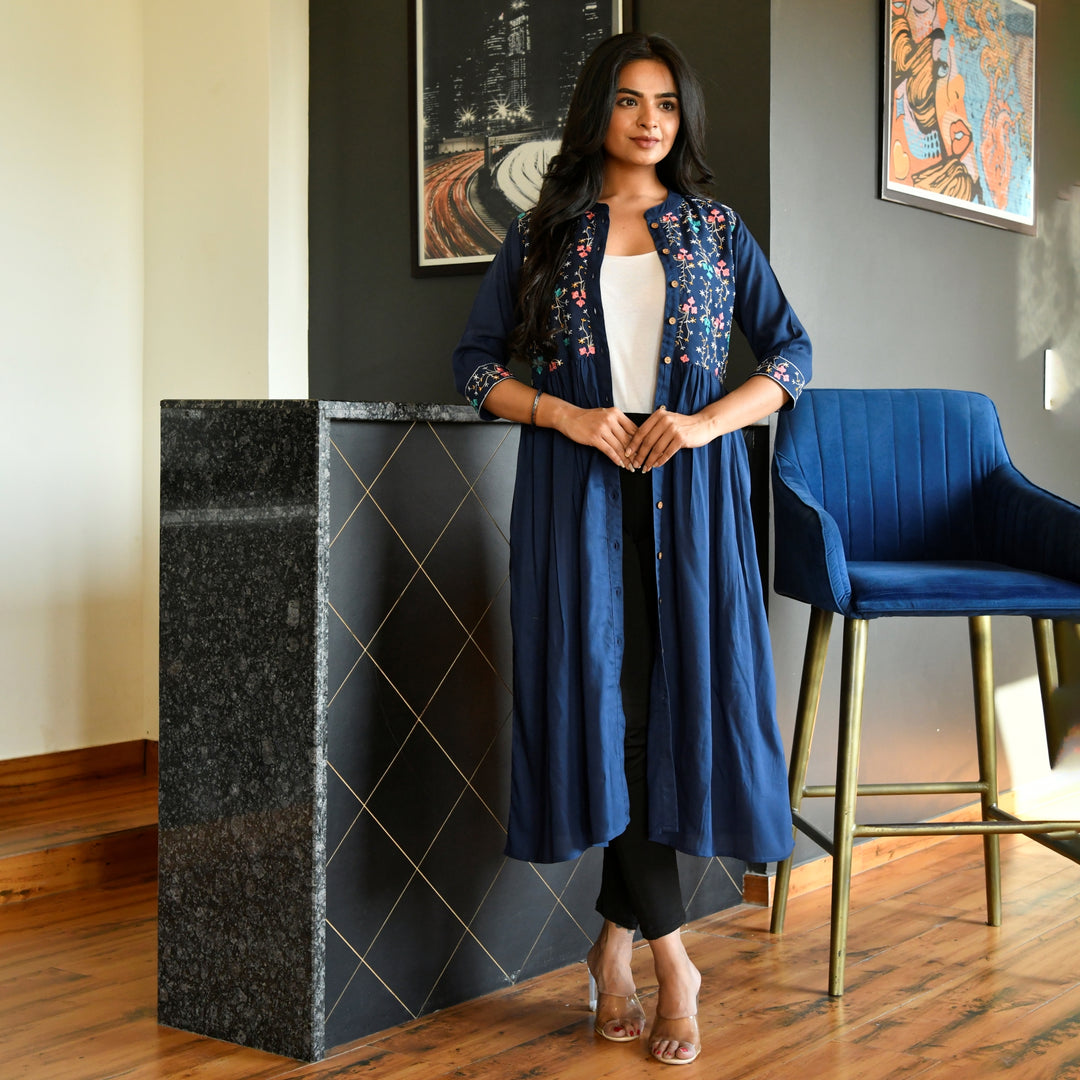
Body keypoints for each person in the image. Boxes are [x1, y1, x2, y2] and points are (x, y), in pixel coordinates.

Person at [452, 31, 811, 1066]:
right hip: (578, 507)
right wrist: (563, 416)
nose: (651, 118)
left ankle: (619, 949)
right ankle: (673, 959)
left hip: (692, 507)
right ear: (596, 113)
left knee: (658, 723)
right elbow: (476, 368)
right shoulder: (545, 230)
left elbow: (793, 352)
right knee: (607, 718)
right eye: (629, 100)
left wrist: (702, 425)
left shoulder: (714, 228)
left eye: (666, 102)